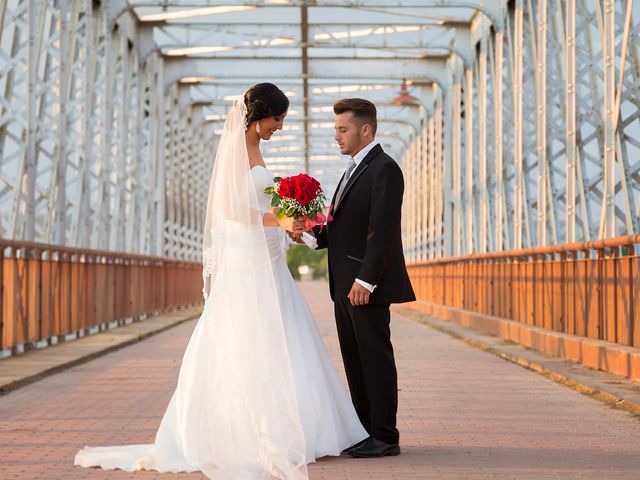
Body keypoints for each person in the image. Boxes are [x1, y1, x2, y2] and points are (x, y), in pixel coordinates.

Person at [74, 83, 368, 480]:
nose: (279, 127)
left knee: (283, 334)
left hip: (267, 258)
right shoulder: (234, 149)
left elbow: (261, 206)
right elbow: (231, 209)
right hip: (246, 263)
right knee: (247, 338)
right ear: (260, 115)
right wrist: (277, 219)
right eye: (277, 119)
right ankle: (249, 431)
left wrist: (289, 222)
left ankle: (299, 428)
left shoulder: (256, 149)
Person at [307, 98, 415, 458]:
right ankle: (367, 430)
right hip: (345, 284)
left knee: (375, 359)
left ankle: (385, 436)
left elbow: (381, 230)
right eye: (336, 129)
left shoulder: (384, 169)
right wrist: (308, 233)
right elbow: (343, 227)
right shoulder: (355, 168)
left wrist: (366, 281)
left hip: (363, 286)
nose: (336, 136)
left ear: (364, 129)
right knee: (355, 361)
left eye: (342, 129)